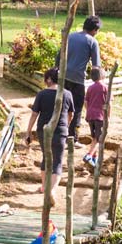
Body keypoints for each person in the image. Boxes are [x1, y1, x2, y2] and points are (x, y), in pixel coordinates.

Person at [25, 66, 74, 211]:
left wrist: (28, 131)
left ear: (48, 79)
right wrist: (66, 125)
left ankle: (44, 188)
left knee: (46, 158)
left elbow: (34, 114)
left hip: (43, 130)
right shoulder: (67, 94)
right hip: (60, 130)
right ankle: (51, 190)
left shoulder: (42, 94)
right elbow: (71, 114)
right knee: (57, 160)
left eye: (45, 79)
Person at [60, 16, 100, 138]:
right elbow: (95, 67)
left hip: (64, 77)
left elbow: (59, 55)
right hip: (78, 80)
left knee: (63, 106)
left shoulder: (70, 36)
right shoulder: (92, 41)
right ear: (94, 30)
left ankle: (60, 132)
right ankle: (72, 137)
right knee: (77, 108)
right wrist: (97, 83)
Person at [83, 66, 109, 167]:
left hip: (90, 115)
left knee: (94, 137)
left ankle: (94, 158)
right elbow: (108, 104)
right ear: (102, 75)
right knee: (99, 138)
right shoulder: (105, 87)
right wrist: (108, 117)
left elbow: (85, 101)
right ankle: (89, 155)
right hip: (100, 116)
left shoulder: (90, 87)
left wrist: (89, 110)